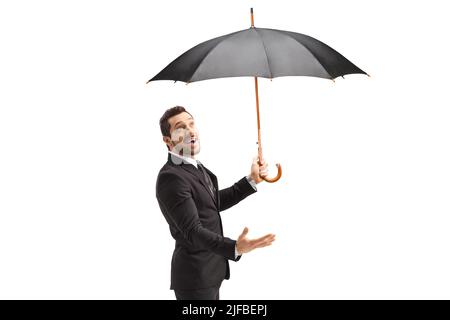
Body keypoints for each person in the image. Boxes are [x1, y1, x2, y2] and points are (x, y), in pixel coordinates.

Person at [155, 106, 276, 300]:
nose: (190, 130)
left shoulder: (194, 167)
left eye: (191, 124)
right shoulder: (171, 177)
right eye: (180, 127)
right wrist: (234, 247)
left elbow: (211, 203)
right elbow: (193, 230)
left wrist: (251, 180)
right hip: (195, 279)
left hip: (210, 273)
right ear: (168, 141)